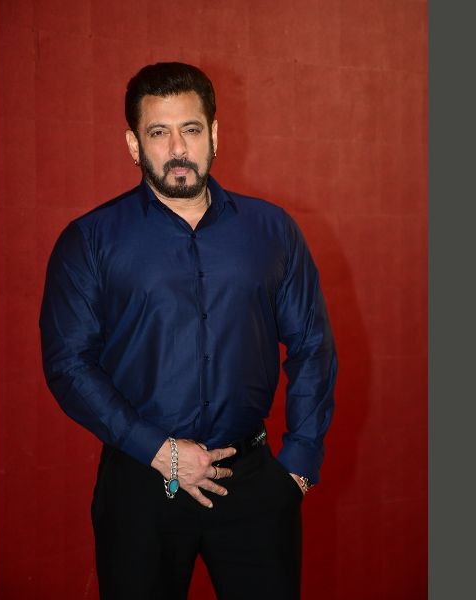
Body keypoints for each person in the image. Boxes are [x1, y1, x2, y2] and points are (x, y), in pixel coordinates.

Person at [39, 62, 337, 600]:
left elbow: (312, 344)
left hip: (253, 485)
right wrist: (158, 450)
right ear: (134, 144)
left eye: (191, 129)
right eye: (159, 132)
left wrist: (299, 464)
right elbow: (68, 363)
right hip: (141, 484)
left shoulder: (272, 231)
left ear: (214, 133)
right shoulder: (90, 240)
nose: (178, 148)